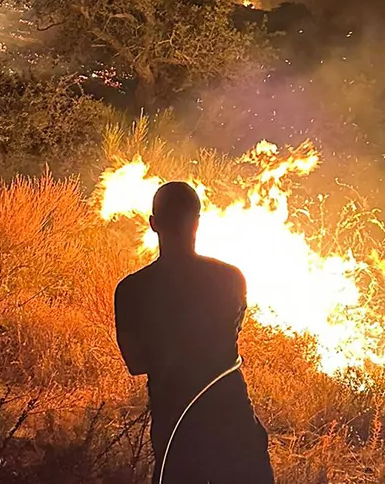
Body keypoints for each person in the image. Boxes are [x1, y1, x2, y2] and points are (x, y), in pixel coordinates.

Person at [113, 181, 275, 484]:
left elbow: (136, 363)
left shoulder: (131, 290)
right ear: (197, 223)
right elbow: (232, 331)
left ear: (153, 224)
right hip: (233, 417)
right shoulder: (231, 278)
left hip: (175, 420)